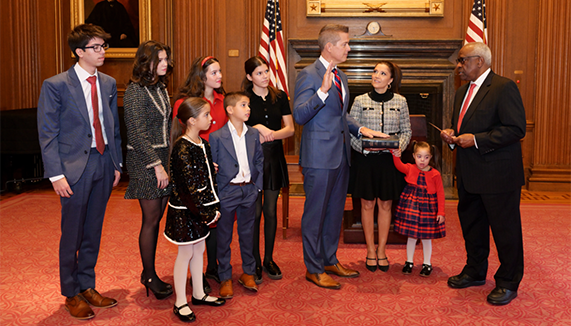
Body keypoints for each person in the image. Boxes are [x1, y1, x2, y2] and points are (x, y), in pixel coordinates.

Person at [37, 24, 122, 320]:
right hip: (73, 169)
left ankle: (87, 285)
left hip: (102, 162)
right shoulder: (56, 85)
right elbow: (47, 134)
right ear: (78, 52)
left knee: (93, 230)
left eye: (103, 47)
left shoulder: (109, 83)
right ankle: (70, 293)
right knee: (72, 234)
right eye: (95, 47)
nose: (101, 52)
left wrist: (116, 163)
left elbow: (113, 128)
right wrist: (56, 175)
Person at [293, 24, 386, 289]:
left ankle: (329, 259)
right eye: (345, 43)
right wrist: (321, 92)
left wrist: (361, 128)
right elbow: (299, 115)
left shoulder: (340, 76)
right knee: (315, 215)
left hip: (341, 156)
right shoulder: (309, 75)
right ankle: (313, 268)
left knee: (334, 213)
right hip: (318, 158)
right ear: (329, 47)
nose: (349, 48)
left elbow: (340, 115)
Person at [440, 42, 526, 305]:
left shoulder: (503, 87)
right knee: (472, 226)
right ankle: (475, 271)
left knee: (505, 230)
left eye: (462, 61)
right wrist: (453, 136)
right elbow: (464, 125)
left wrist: (475, 139)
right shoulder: (461, 92)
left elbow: (515, 129)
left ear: (479, 61)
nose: (458, 66)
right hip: (469, 173)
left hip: (498, 175)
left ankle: (508, 281)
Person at [165, 97, 226, 323]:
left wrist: (214, 205)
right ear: (191, 121)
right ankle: (180, 301)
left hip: (201, 209)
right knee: (185, 253)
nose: (211, 119)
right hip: (186, 211)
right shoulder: (182, 148)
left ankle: (199, 293)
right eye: (206, 115)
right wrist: (206, 213)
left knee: (199, 250)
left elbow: (208, 180)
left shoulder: (203, 144)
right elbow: (188, 189)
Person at [348, 61, 411, 273]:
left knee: (385, 205)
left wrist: (397, 148)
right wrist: (365, 148)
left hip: (389, 162)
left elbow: (406, 132)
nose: (376, 75)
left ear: (391, 80)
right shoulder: (359, 101)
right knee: (367, 204)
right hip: (366, 161)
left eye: (382, 73)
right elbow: (350, 132)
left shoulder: (401, 102)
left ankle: (382, 250)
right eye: (375, 71)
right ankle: (370, 250)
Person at [123, 40, 173, 300]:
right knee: (150, 221)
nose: (165, 64)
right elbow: (137, 133)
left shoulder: (160, 87)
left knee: (157, 219)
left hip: (163, 158)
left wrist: (167, 163)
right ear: (146, 62)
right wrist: (157, 167)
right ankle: (149, 275)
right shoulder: (134, 91)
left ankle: (149, 272)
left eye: (166, 59)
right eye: (159, 60)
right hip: (145, 162)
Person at [173, 56, 227, 291]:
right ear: (201, 76)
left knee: (216, 217)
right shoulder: (184, 103)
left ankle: (212, 268)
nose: (220, 76)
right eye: (214, 72)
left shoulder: (222, 101)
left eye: (220, 72)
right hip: (195, 170)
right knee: (197, 222)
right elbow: (181, 138)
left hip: (218, 167)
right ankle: (197, 279)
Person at [242, 56, 294, 283]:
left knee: (270, 211)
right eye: (259, 73)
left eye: (266, 72)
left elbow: (290, 129)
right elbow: (238, 129)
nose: (265, 77)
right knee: (253, 213)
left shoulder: (280, 96)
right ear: (249, 77)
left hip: (273, 158)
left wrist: (269, 134)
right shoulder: (243, 99)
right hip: (251, 160)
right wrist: (259, 129)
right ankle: (252, 260)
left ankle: (269, 258)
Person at [209, 92, 264, 299]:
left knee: (248, 233)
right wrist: (219, 191)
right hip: (227, 191)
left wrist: (257, 187)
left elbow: (259, 160)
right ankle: (225, 276)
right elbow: (212, 166)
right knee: (224, 237)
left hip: (249, 190)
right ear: (230, 110)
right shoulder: (216, 137)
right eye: (243, 105)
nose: (248, 108)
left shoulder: (253, 134)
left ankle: (248, 272)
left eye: (248, 105)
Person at [391, 142, 445, 277]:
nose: (422, 160)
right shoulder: (410, 168)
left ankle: (427, 263)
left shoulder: (435, 174)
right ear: (414, 156)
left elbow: (441, 194)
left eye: (426, 157)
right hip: (412, 207)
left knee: (427, 237)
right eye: (419, 156)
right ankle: (409, 261)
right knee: (412, 236)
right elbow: (398, 165)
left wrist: (441, 212)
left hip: (428, 208)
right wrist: (395, 155)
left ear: (431, 157)